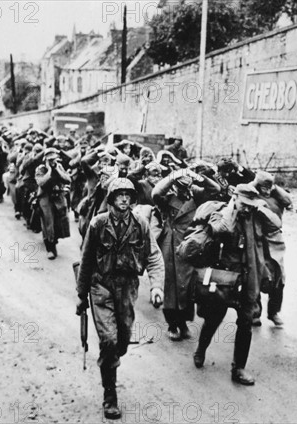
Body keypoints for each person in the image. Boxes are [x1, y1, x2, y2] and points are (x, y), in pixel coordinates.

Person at [75, 178, 165, 420]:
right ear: (111, 198)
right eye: (119, 194)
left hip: (127, 288)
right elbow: (86, 262)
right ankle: (110, 395)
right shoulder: (98, 224)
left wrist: (157, 287)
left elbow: (154, 257)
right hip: (101, 286)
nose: (124, 199)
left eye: (128, 195)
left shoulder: (141, 224)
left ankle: (113, 356)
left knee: (122, 339)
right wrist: (81, 295)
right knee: (109, 340)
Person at [193, 184, 281, 385]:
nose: (247, 208)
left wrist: (260, 207)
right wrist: (232, 208)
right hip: (225, 278)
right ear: (235, 197)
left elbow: (275, 224)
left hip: (249, 278)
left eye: (250, 204)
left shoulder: (255, 216)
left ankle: (238, 368)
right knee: (214, 318)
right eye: (244, 203)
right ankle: (201, 349)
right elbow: (221, 230)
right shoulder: (222, 213)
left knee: (246, 323)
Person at [152, 169, 221, 340]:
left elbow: (215, 190)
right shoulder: (166, 199)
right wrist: (173, 176)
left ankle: (183, 322)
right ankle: (173, 324)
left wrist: (200, 177)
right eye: (181, 187)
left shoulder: (196, 195)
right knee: (171, 286)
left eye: (187, 187)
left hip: (191, 245)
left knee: (188, 287)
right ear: (174, 186)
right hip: (171, 246)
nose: (185, 191)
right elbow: (155, 192)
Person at [250, 171, 292, 327]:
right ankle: (255, 312)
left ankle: (273, 312)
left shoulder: (277, 197)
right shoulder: (252, 195)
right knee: (257, 276)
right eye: (263, 186)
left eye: (269, 186)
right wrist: (255, 183)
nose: (266, 190)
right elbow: (240, 193)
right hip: (257, 240)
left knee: (279, 278)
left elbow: (288, 201)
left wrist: (274, 187)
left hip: (275, 240)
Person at [34, 148, 71, 259]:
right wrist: (49, 171)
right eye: (50, 160)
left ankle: (53, 241)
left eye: (54, 159)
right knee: (48, 222)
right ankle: (49, 248)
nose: (52, 162)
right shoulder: (41, 169)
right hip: (45, 197)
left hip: (58, 196)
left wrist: (58, 170)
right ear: (45, 159)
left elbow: (67, 179)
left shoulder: (59, 167)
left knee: (60, 221)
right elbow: (41, 182)